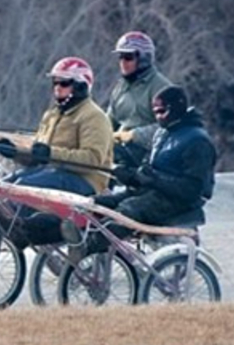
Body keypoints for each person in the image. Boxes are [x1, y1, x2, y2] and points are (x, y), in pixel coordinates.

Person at [0, 57, 114, 290]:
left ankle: (20, 229)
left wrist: (51, 153)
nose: (57, 89)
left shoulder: (94, 116)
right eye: (55, 84)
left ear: (81, 86)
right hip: (51, 171)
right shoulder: (52, 114)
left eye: (63, 84)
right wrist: (15, 152)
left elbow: (93, 159)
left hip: (83, 181)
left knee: (14, 192)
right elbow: (38, 153)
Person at [62, 85, 216, 262]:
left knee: (128, 210)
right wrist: (131, 176)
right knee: (100, 203)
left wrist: (154, 180)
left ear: (177, 108)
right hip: (153, 192)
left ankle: (88, 247)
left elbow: (193, 189)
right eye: (155, 112)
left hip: (179, 202)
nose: (158, 117)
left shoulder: (197, 140)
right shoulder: (162, 134)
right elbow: (147, 169)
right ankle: (77, 236)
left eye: (162, 112)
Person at [106, 31, 173, 170]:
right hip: (119, 149)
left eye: (128, 57)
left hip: (148, 155)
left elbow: (170, 128)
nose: (123, 62)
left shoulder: (162, 88)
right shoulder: (120, 87)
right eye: (120, 57)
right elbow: (108, 121)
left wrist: (133, 135)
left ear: (143, 58)